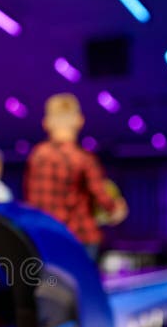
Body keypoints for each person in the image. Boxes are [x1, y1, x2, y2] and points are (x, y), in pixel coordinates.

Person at [23, 93, 127, 260]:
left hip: (45, 236)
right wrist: (117, 209)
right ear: (79, 120)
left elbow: (31, 202)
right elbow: (102, 197)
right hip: (80, 237)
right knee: (81, 286)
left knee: (50, 285)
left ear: (46, 123)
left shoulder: (37, 156)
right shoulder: (84, 160)